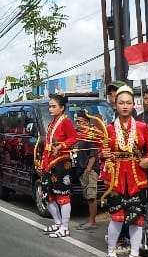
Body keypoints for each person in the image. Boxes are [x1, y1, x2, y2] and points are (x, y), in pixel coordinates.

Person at [100, 85, 148, 257]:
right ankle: (111, 251)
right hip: (115, 179)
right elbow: (102, 151)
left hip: (136, 178)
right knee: (116, 216)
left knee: (137, 218)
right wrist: (104, 154)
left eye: (128, 103)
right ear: (115, 105)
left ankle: (133, 255)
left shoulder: (141, 127)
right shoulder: (108, 129)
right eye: (121, 103)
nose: (125, 106)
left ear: (134, 105)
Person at [36, 94, 78, 238]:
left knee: (62, 195)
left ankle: (65, 227)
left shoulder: (65, 122)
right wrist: (43, 162)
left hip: (61, 162)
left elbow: (74, 137)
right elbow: (47, 145)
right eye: (50, 106)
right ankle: (58, 223)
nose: (50, 109)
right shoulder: (51, 124)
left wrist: (61, 145)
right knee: (48, 195)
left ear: (62, 108)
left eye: (54, 106)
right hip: (50, 162)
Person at [74, 111, 100, 231]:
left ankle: (92, 222)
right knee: (88, 197)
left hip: (90, 170)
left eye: (80, 121)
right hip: (83, 170)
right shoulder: (81, 135)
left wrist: (88, 171)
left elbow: (93, 155)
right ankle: (90, 220)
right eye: (77, 122)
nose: (78, 124)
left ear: (87, 122)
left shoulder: (91, 135)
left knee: (91, 197)